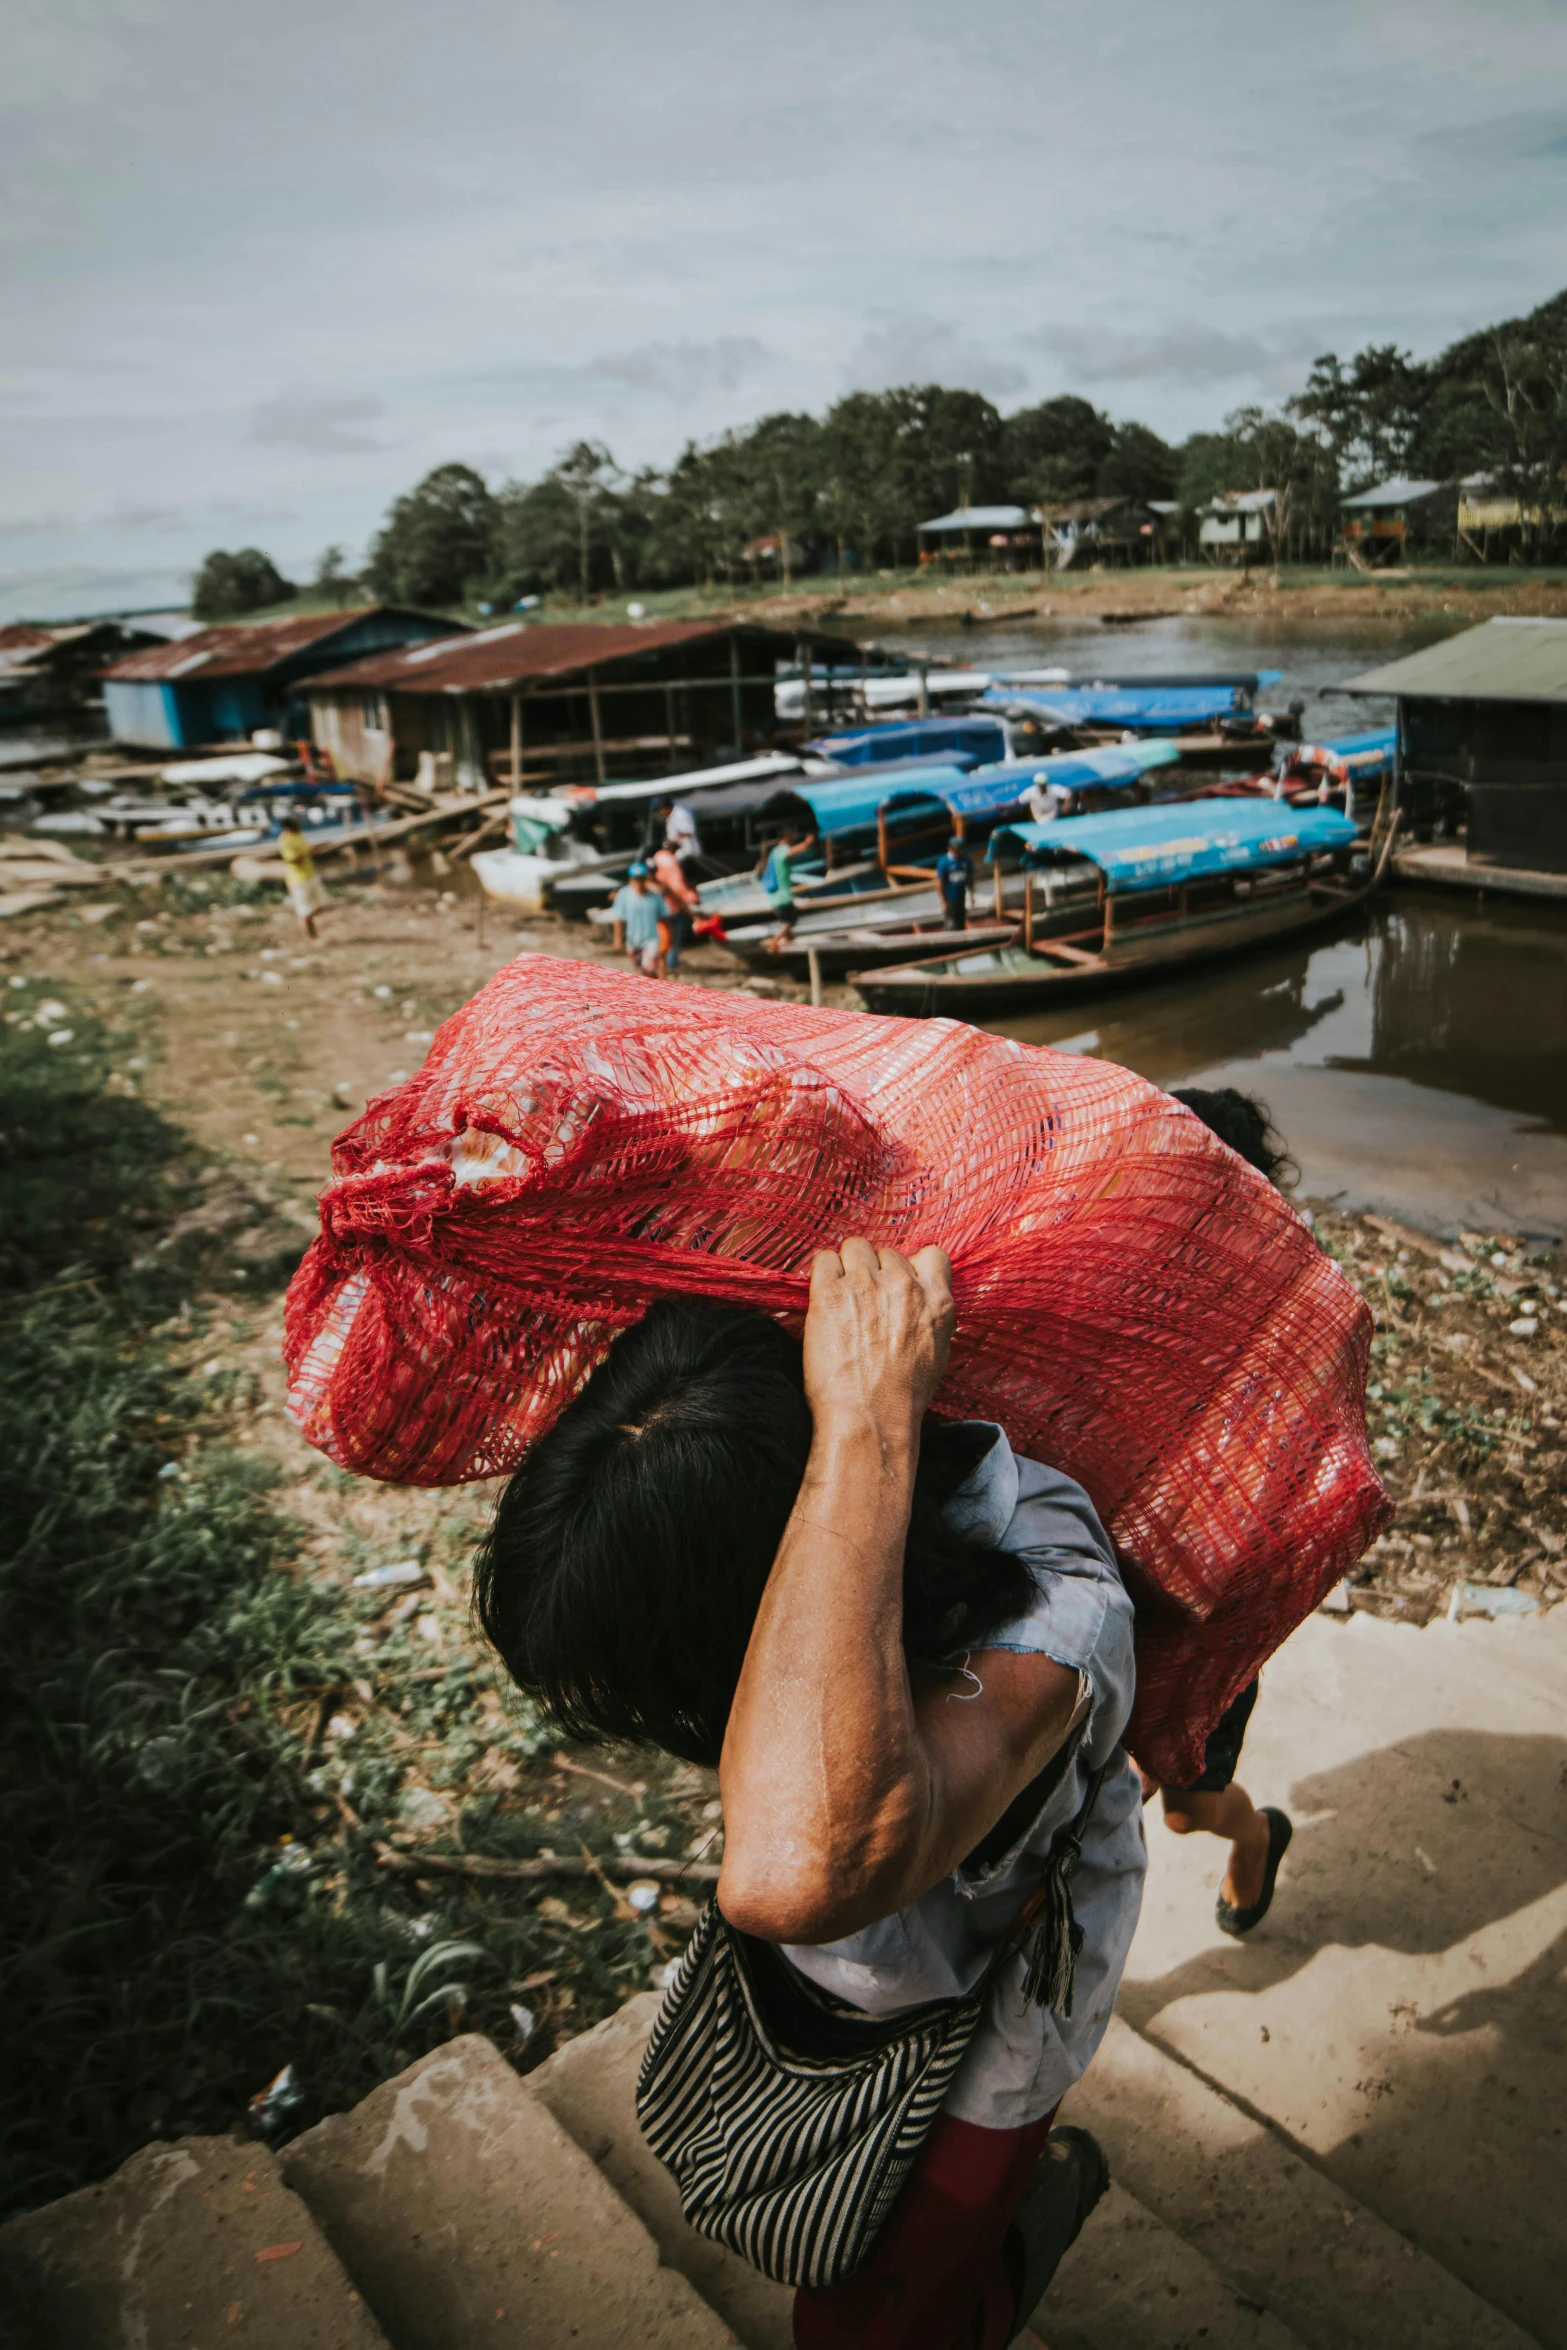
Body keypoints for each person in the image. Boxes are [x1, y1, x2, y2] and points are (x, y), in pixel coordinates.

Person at [475, 1242, 1146, 2349]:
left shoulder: (1047, 1615)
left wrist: (869, 1416)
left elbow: (798, 1870)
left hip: (985, 2008)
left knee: (877, 2320)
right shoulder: (819, 1509)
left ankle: (1026, 2228)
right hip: (843, 1979)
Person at [1147, 1085, 1297, 1936]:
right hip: (1124, 1585)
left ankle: (1258, 1838)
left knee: (1184, 1812)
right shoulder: (1125, 1279)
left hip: (1216, 1604)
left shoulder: (1275, 1317)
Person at [757, 823, 813, 948]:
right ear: (786, 836)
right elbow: (791, 852)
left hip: (775, 895)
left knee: (787, 919)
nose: (794, 836)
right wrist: (807, 843)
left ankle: (786, 939)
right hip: (782, 896)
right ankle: (774, 940)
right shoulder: (782, 851)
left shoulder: (774, 852)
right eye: (792, 834)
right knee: (790, 920)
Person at [650, 841, 699, 976]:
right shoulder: (671, 863)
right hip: (671, 907)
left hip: (658, 908)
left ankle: (659, 965)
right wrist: (690, 899)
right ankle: (671, 965)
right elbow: (677, 888)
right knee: (673, 938)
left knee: (661, 938)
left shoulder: (657, 858)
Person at [277, 808, 326, 941]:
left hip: (310, 875)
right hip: (298, 880)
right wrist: (308, 852)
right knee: (305, 911)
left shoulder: (299, 834)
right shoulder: (285, 838)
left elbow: (305, 849)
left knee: (322, 905)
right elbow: (290, 859)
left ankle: (305, 920)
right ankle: (313, 937)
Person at [609, 862, 665, 978]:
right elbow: (618, 918)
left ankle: (654, 988)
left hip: (651, 938)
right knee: (639, 966)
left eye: (641, 879)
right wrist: (617, 939)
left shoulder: (655, 896)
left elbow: (664, 916)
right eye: (636, 879)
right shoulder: (624, 894)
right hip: (633, 939)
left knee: (648, 967)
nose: (639, 882)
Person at [934, 833, 974, 933]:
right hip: (950, 898)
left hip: (961, 896)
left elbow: (970, 878)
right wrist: (943, 901)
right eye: (956, 848)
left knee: (961, 920)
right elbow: (940, 883)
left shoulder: (965, 860)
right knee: (951, 924)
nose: (959, 851)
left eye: (960, 848)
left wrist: (971, 895)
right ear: (950, 848)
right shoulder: (944, 862)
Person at [656, 794, 701, 865]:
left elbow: (688, 833)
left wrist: (675, 839)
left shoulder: (680, 814)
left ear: (666, 808)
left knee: (672, 862)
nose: (660, 813)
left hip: (688, 852)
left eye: (661, 810)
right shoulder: (669, 817)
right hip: (678, 851)